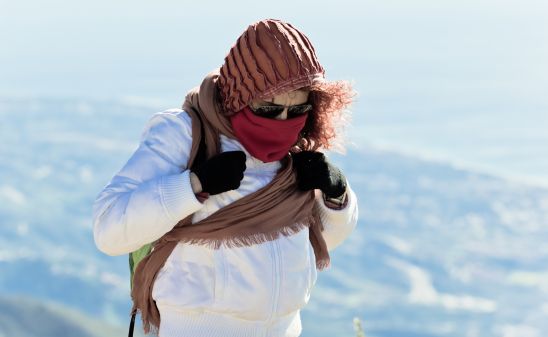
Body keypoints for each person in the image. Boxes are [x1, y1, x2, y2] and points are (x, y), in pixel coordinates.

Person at [92, 18, 358, 337]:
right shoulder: (185, 136)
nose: (283, 122)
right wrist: (194, 186)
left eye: (296, 110)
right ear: (239, 96)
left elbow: (313, 243)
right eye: (269, 109)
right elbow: (109, 230)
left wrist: (337, 196)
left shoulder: (297, 151)